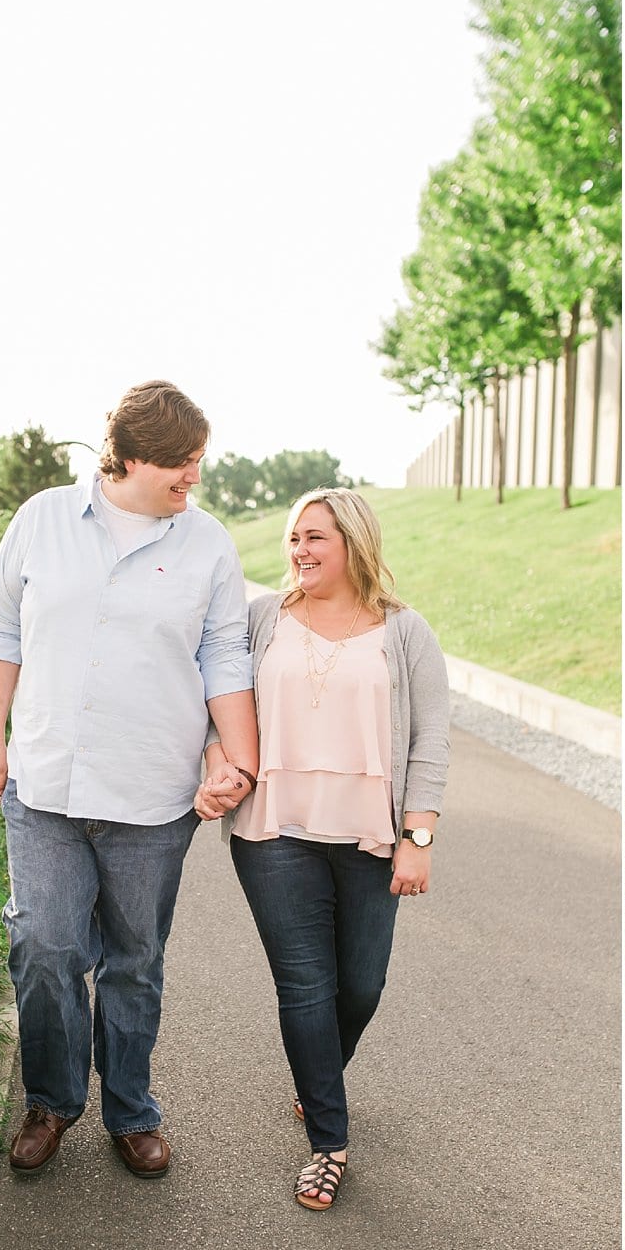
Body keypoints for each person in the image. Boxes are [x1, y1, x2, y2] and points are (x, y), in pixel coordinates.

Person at [0, 380, 257, 1181]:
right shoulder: (41, 521)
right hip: (46, 783)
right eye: (181, 467)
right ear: (130, 457)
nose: (192, 482)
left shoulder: (208, 545)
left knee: (135, 958)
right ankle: (53, 1101)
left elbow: (225, 654)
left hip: (152, 794)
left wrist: (236, 756)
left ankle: (131, 1109)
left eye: (198, 466)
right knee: (44, 945)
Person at [208, 487, 449, 1211]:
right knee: (305, 985)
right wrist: (221, 762)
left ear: (353, 541)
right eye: (293, 539)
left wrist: (418, 838)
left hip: (371, 836)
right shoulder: (262, 621)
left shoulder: (405, 633)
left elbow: (430, 740)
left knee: (362, 984)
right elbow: (220, 705)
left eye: (315, 537)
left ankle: (319, 1076)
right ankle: (329, 1143)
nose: (301, 551)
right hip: (274, 827)